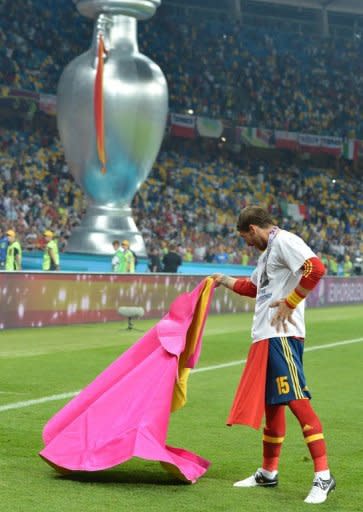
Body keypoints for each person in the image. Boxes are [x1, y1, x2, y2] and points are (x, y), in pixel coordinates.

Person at [212, 205, 335, 505]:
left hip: (282, 336)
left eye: (245, 238)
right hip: (265, 338)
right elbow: (253, 287)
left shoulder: (285, 241)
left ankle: (323, 475)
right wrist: (223, 280)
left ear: (253, 229)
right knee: (273, 406)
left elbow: (315, 268)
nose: (247, 244)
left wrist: (291, 302)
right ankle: (268, 472)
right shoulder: (267, 254)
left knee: (296, 401)